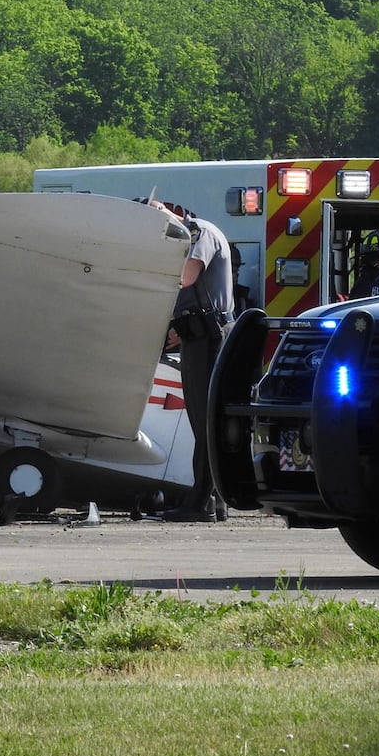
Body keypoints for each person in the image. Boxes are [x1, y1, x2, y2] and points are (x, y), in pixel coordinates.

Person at [149, 199, 234, 524]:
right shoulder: (192, 235)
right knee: (202, 421)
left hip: (209, 336)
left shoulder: (199, 233)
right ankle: (211, 499)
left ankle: (201, 502)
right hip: (197, 334)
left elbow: (186, 277)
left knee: (205, 420)